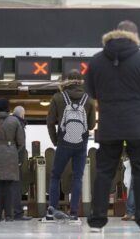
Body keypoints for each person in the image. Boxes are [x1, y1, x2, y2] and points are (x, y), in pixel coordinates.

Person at [85, 20, 140, 234]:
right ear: (135, 36)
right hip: (139, 125)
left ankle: (96, 222)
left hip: (109, 124)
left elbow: (91, 91)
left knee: (104, 172)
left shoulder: (96, 61)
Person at [46, 70, 97, 221]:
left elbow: (50, 123)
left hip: (63, 142)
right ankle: (74, 213)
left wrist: (56, 141)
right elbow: (92, 125)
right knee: (77, 177)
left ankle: (51, 211)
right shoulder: (89, 99)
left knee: (55, 176)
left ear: (66, 81)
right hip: (81, 144)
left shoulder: (58, 97)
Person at [10, 106, 32, 221]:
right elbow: (21, 144)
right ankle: (17, 213)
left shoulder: (7, 122)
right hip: (14, 160)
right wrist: (19, 160)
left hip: (4, 159)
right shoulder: (19, 124)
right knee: (16, 187)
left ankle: (2, 212)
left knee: (4, 186)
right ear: (22, 114)